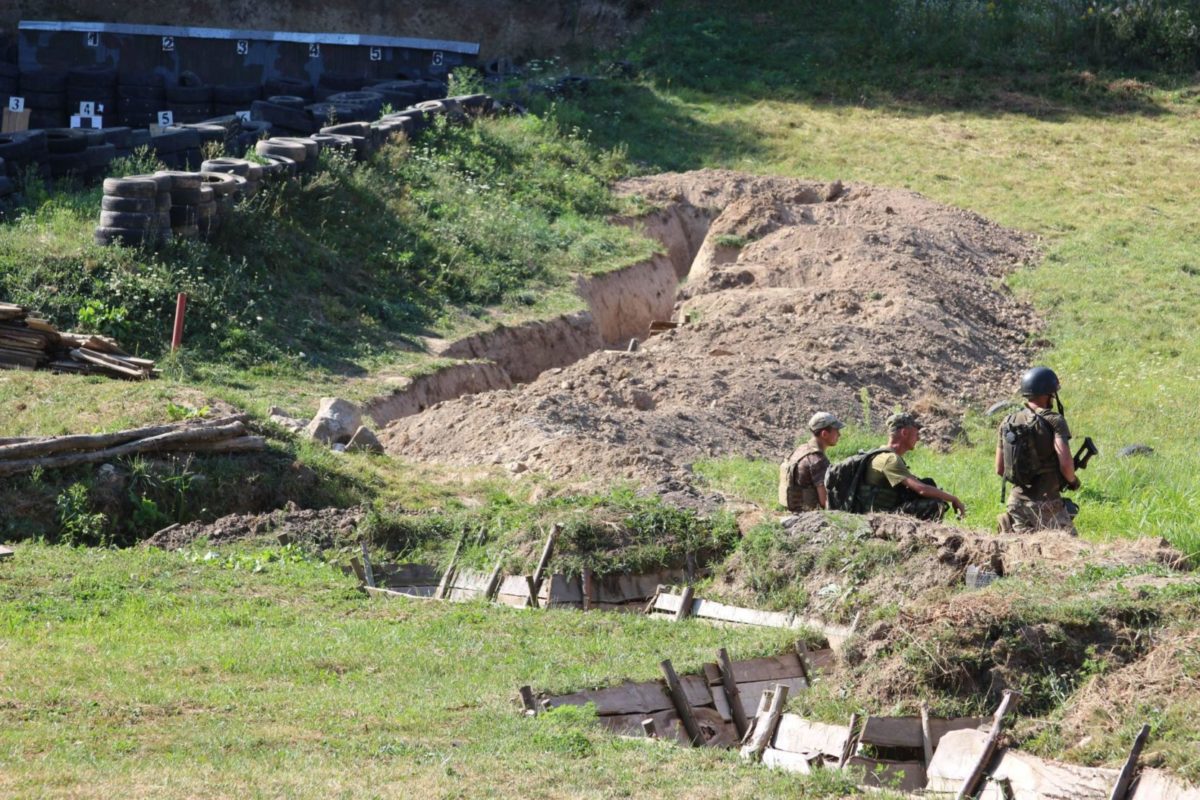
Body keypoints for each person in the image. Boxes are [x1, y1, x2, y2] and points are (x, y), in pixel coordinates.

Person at [995, 366, 1079, 534]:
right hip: (1047, 505)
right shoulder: (1054, 420)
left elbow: (1000, 469)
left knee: (1022, 553)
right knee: (1070, 553)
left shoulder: (1008, 421)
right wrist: (1073, 481)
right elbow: (1066, 465)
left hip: (1016, 503)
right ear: (1050, 394)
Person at [856, 411, 966, 521]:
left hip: (878, 511)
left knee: (928, 483)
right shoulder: (890, 459)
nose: (918, 439)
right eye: (916, 434)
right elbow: (922, 489)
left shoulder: (881, 454)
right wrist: (953, 499)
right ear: (904, 433)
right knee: (935, 505)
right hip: (878, 516)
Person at [779, 411, 845, 511]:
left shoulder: (801, 449)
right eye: (836, 431)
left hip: (791, 510)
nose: (839, 434)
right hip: (807, 515)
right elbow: (825, 502)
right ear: (824, 434)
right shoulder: (818, 460)